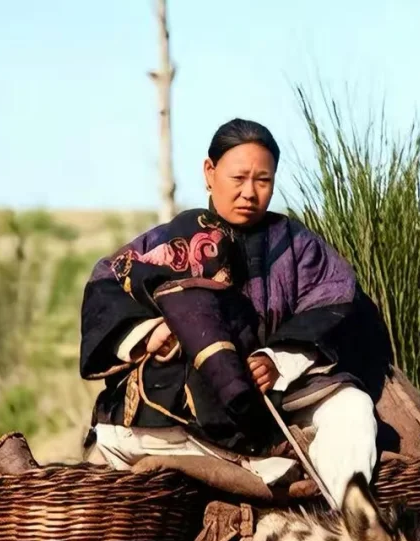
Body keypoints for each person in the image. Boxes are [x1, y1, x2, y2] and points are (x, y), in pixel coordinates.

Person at [79, 118, 392, 501]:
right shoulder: (169, 240)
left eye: (263, 180)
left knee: (353, 407)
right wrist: (153, 334)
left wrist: (278, 360)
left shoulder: (298, 246)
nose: (249, 193)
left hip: (284, 395)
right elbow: (108, 282)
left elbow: (335, 300)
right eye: (238, 178)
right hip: (189, 398)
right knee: (117, 436)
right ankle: (259, 468)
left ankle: (349, 521)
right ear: (209, 172)